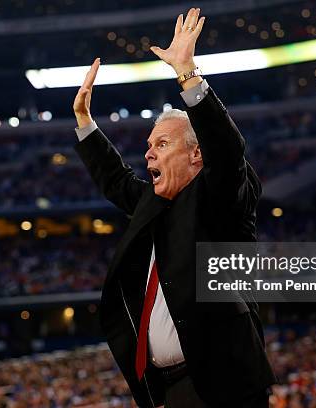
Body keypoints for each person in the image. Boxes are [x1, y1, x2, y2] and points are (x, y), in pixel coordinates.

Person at [73, 8, 276, 407]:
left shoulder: (221, 198)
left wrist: (188, 74)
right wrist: (84, 122)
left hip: (222, 387)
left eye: (161, 145)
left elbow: (227, 149)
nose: (148, 153)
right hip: (167, 390)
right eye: (148, 146)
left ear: (196, 154)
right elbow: (116, 181)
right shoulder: (155, 203)